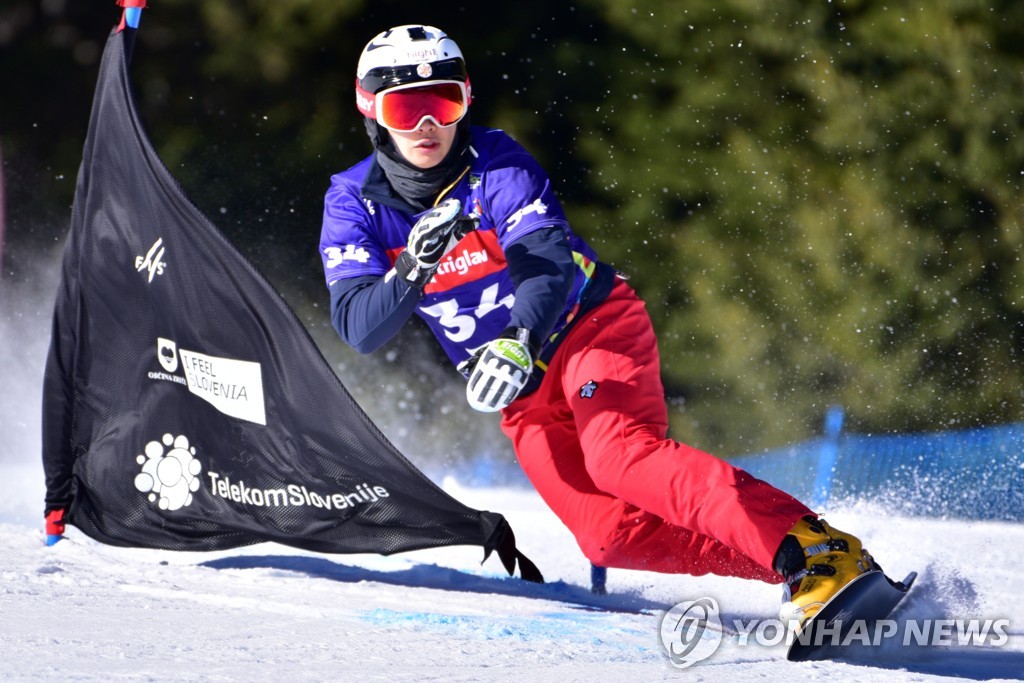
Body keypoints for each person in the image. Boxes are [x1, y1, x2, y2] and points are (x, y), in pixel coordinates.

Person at [319, 24, 879, 626]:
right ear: (369, 108)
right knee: (611, 536)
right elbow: (359, 328)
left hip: (587, 328)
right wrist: (411, 267)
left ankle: (815, 552)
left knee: (621, 458)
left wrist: (519, 338)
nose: (426, 125)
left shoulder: (496, 162)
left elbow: (546, 265)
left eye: (444, 101)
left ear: (466, 100)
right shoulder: (352, 200)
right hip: (522, 389)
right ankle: (800, 570)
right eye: (406, 108)